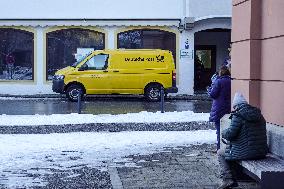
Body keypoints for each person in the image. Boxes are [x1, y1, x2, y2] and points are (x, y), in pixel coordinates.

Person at [217, 92, 268, 189]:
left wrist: (223, 132)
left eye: (234, 107)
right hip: (261, 152)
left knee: (221, 153)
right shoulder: (259, 115)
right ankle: (232, 177)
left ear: (236, 106)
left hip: (247, 153)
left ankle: (228, 179)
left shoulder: (238, 116)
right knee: (230, 149)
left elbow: (230, 134)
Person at [207, 66, 231, 150]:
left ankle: (219, 148)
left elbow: (213, 94)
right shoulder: (231, 81)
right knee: (227, 128)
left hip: (219, 107)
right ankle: (227, 147)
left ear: (221, 72)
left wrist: (209, 90)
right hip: (229, 107)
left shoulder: (219, 81)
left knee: (219, 129)